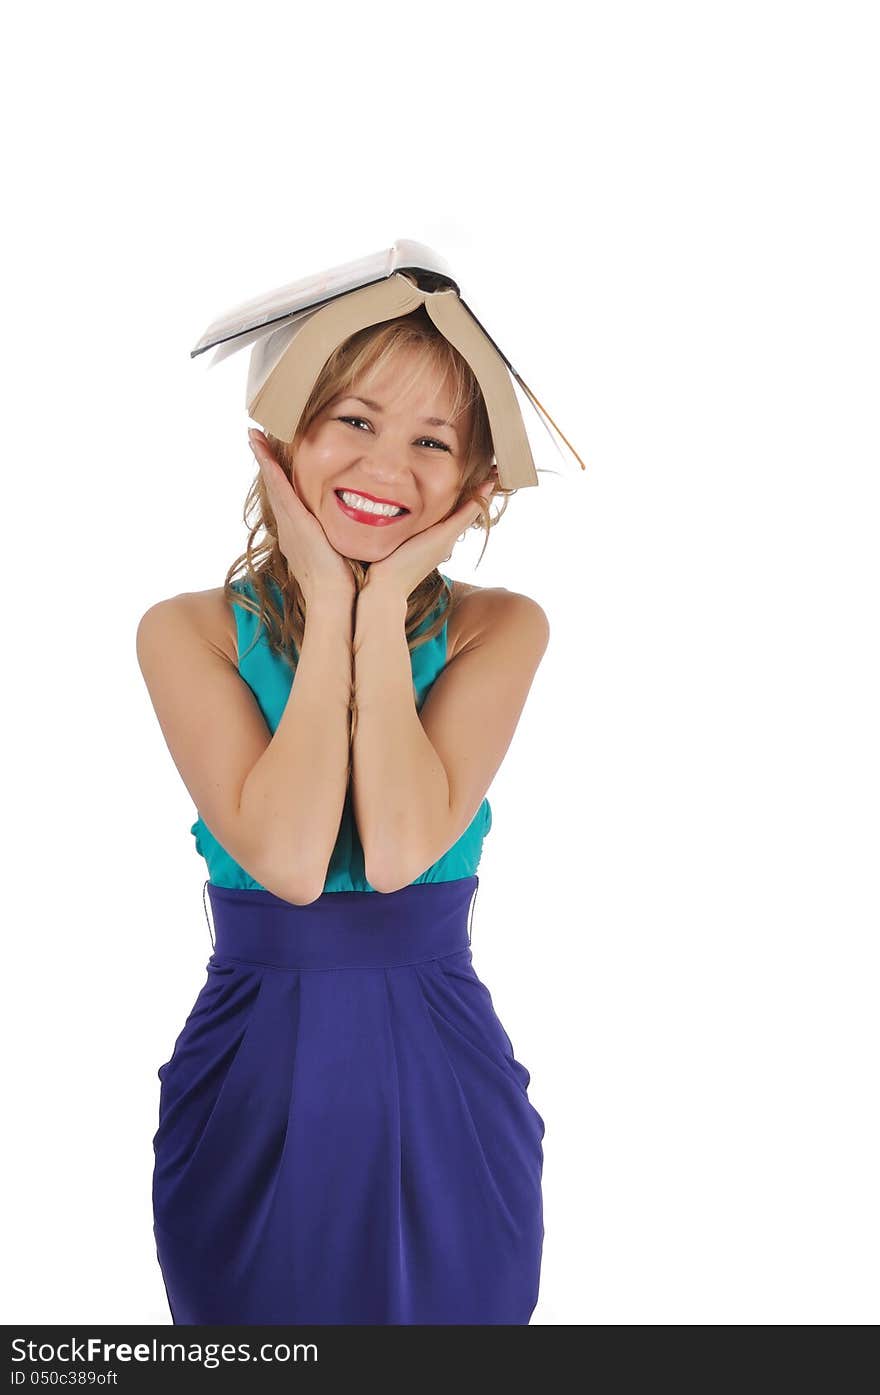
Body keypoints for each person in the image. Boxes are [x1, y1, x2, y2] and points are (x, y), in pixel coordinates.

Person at [136, 306, 550, 1324]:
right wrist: (325, 598)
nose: (388, 467)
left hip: (442, 1082)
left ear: (472, 485)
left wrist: (385, 598)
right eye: (354, 421)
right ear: (282, 440)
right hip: (251, 1085)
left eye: (433, 442)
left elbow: (405, 852)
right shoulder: (187, 634)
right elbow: (289, 863)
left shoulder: (499, 628)